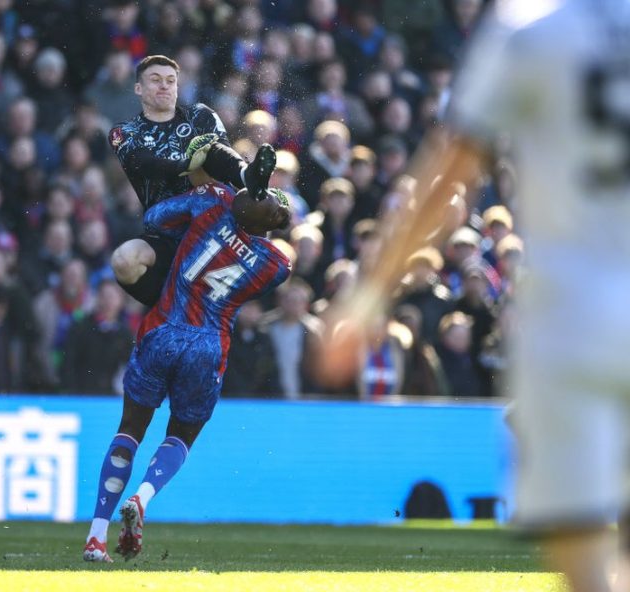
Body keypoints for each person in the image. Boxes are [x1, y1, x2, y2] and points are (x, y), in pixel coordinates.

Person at [319, 2, 630, 590]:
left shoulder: (528, 26)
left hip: (573, 315)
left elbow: (450, 173)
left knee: (586, 565)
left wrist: (365, 300)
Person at [83, 183, 292, 563]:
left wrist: (221, 190)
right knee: (181, 436)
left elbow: (155, 219)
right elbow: (263, 237)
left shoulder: (212, 205)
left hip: (163, 327)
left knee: (129, 429)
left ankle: (96, 537)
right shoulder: (273, 265)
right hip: (208, 345)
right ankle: (142, 497)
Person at [108, 54, 278, 307]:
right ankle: (168, 305)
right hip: (165, 233)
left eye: (170, 80)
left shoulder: (199, 115)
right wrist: (185, 165)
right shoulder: (124, 132)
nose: (164, 86)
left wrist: (199, 164)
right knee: (123, 260)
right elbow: (142, 163)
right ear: (138, 88)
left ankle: (248, 176)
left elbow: (219, 159)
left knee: (208, 151)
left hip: (214, 228)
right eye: (155, 80)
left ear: (178, 86)